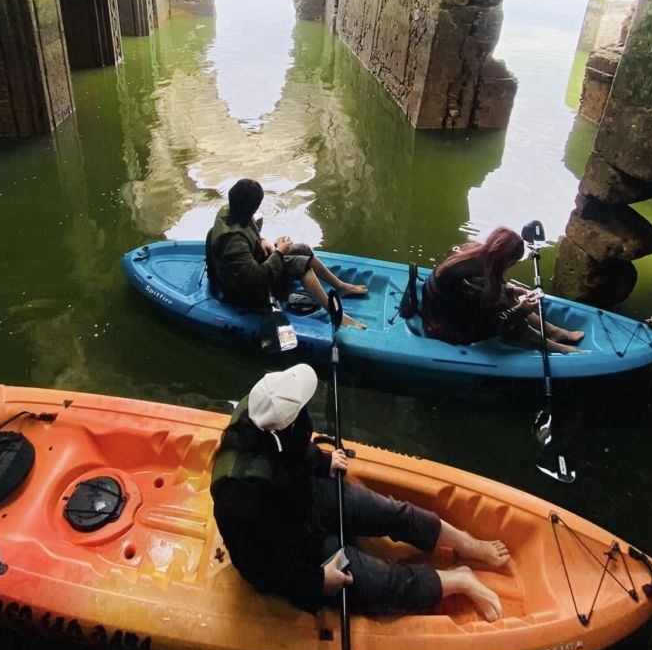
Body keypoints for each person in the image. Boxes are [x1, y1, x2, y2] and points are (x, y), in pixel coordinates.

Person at [211, 364, 510, 620]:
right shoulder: (239, 502)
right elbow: (260, 569)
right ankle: (459, 580)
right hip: (295, 550)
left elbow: (297, 449)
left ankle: (466, 543)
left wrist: (323, 460)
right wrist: (316, 582)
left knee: (388, 511)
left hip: (304, 500)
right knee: (381, 582)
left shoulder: (265, 409)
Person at [206, 178, 367, 328]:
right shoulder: (234, 243)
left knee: (303, 249)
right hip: (246, 291)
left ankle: (341, 286)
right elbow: (256, 278)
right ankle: (335, 314)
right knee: (300, 265)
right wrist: (279, 253)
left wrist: (262, 241)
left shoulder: (232, 209)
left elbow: (249, 229)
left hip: (253, 265)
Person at [421, 227, 585, 353]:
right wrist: (521, 311)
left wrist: (510, 289)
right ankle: (561, 349)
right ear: (506, 261)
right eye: (513, 263)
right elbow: (490, 323)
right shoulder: (476, 284)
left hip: (447, 307)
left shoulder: (469, 248)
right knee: (515, 323)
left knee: (510, 299)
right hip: (445, 327)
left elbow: (483, 290)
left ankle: (553, 331)